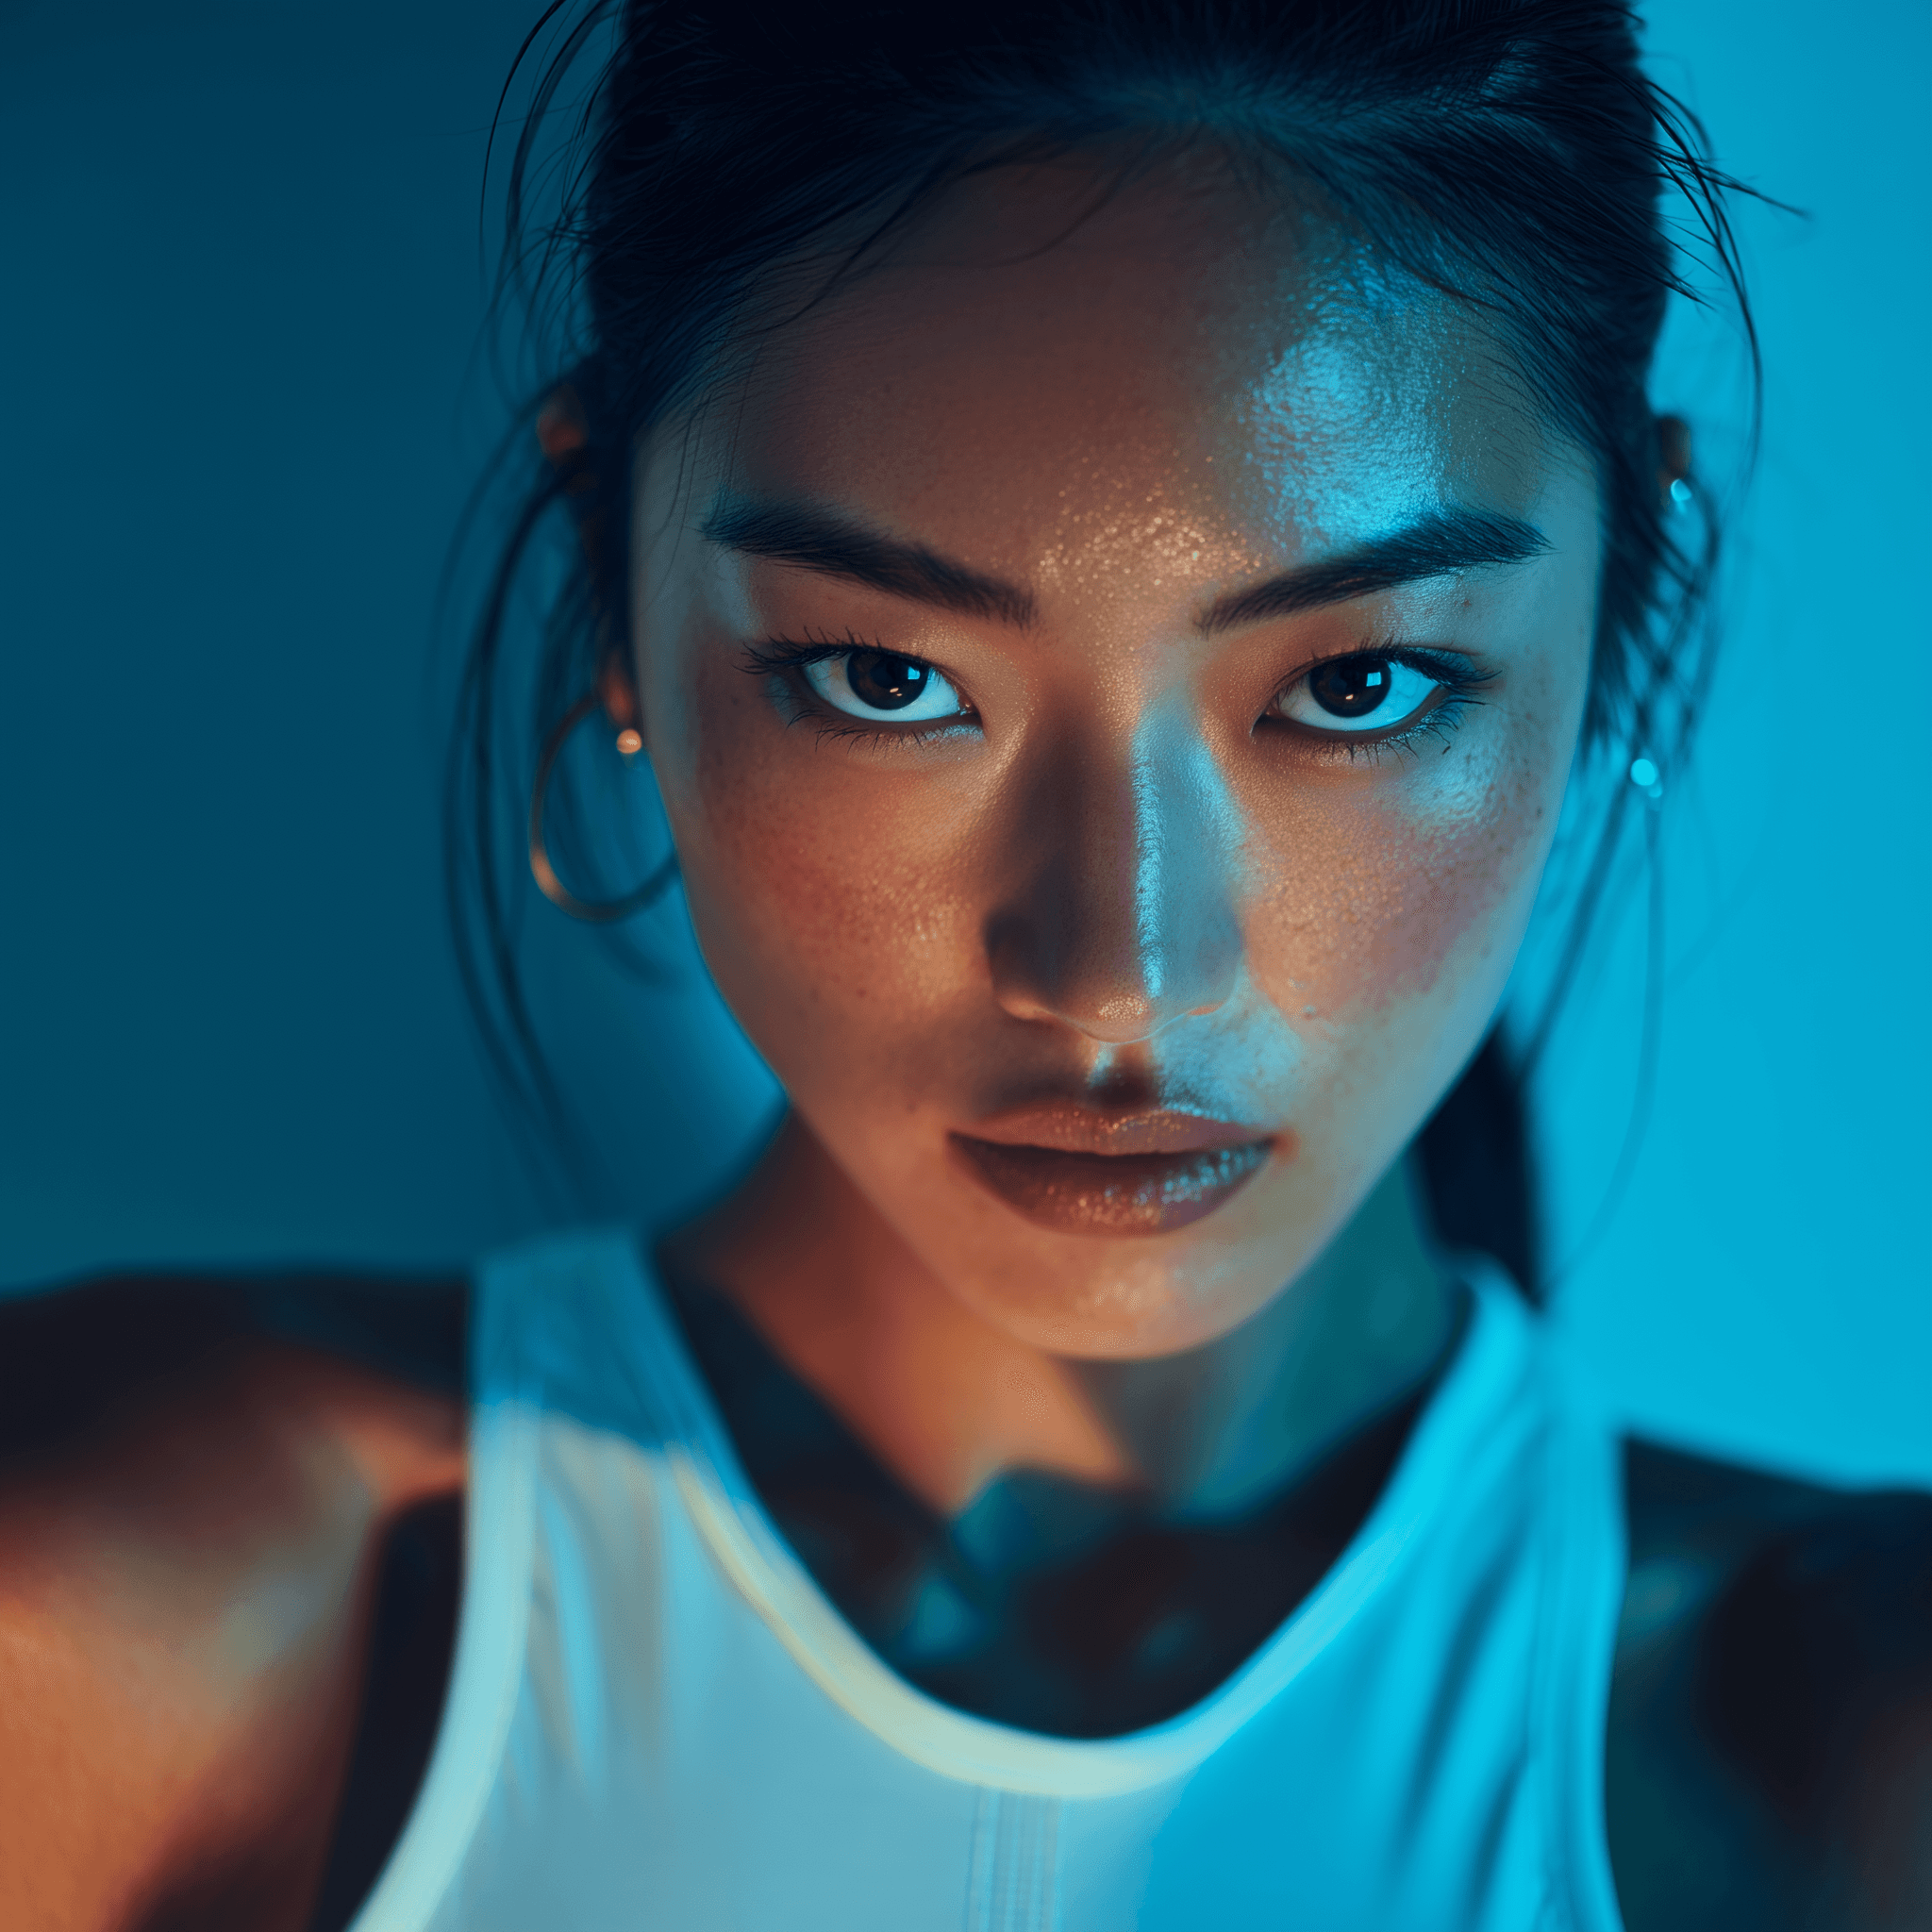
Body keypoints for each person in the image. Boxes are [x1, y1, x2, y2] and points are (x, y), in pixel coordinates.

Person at [3, 2, 1927, 1928]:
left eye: (1353, 686)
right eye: (889, 679)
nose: (1117, 974)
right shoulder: (103, 1599)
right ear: (612, 581)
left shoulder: (1857, 1748)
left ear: (1623, 597)